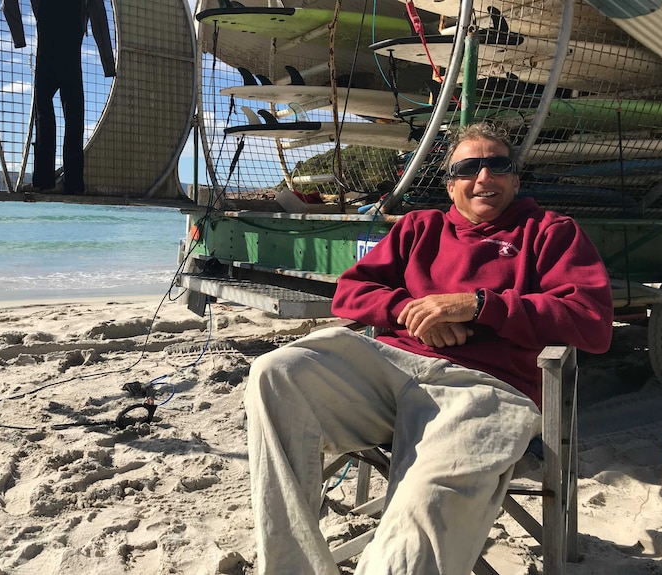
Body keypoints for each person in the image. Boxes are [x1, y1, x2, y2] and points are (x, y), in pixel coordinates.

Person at [244, 122, 614, 575]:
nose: (484, 177)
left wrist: (480, 305)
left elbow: (593, 324)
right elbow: (350, 292)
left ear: (516, 179)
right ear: (451, 184)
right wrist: (412, 314)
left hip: (483, 388)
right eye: (468, 167)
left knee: (424, 504)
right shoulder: (421, 227)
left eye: (497, 165)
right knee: (275, 372)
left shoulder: (551, 232)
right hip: (390, 369)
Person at [2, 0, 116, 195]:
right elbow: (98, 16)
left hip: (47, 55)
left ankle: (44, 182)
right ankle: (73, 184)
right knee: (74, 120)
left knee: (45, 118)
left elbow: (7, 5)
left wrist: (19, 38)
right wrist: (107, 63)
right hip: (70, 57)